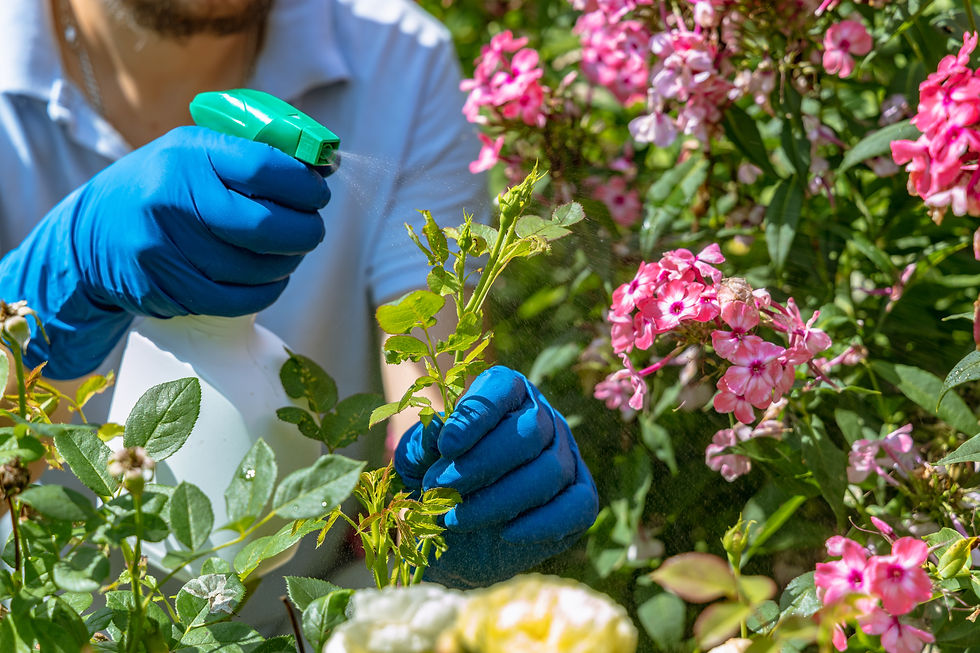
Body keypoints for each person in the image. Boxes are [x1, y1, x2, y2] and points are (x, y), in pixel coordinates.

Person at [0, 0, 598, 636]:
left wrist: (463, 484)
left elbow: (426, 380)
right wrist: (57, 278)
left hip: (299, 632)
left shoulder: (396, 60)